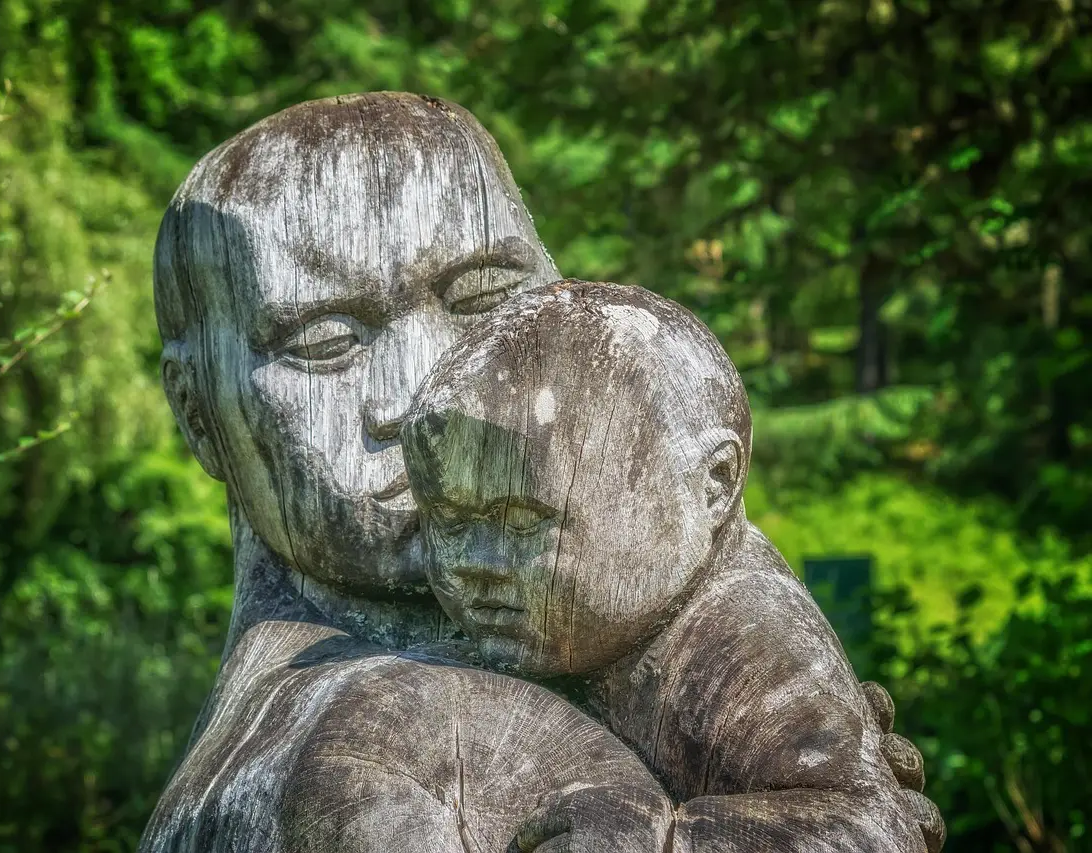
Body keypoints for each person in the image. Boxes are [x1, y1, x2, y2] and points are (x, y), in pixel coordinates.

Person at [139, 92, 939, 852]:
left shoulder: (677, 584)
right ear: (199, 412)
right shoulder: (385, 748)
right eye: (324, 341)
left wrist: (810, 800)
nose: (428, 388)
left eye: (486, 296)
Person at [400, 280, 944, 851]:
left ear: (712, 485)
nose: (476, 563)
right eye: (451, 520)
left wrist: (662, 839)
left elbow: (867, 830)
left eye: (521, 519)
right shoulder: (600, 622)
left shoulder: (744, 638)